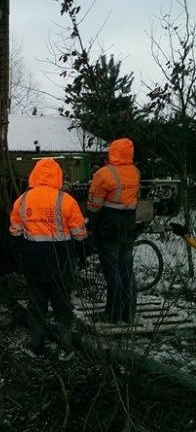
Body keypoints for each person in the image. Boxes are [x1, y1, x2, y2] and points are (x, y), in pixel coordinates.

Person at [9, 157, 88, 358]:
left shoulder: (22, 200)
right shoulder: (66, 200)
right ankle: (65, 347)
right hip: (60, 262)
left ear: (34, 174)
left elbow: (15, 232)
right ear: (58, 176)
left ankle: (36, 346)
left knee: (36, 305)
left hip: (34, 261)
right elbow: (80, 234)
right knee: (62, 305)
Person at [86, 138, 141, 324]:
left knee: (112, 272)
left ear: (113, 152)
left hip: (109, 227)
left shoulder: (104, 173)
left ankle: (113, 314)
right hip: (128, 226)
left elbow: (94, 206)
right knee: (127, 270)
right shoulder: (135, 172)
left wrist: (90, 226)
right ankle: (129, 313)